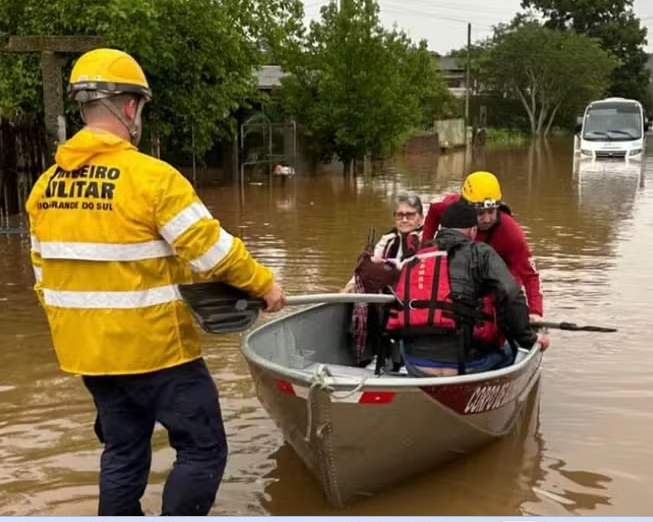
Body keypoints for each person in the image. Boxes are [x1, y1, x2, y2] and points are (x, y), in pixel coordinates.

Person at [25, 48, 286, 516]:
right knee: (203, 447)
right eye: (140, 107)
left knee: (123, 452)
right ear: (129, 107)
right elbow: (211, 250)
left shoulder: (45, 187)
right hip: (156, 351)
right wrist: (265, 286)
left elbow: (43, 277)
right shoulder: (152, 179)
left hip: (91, 356)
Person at [385, 199, 549, 377]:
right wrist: (529, 339)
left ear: (441, 230)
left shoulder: (414, 257)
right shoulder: (483, 253)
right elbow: (511, 295)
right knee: (514, 347)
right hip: (467, 366)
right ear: (473, 230)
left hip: (417, 365)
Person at [421, 171, 544, 323]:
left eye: (491, 212)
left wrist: (535, 311)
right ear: (465, 208)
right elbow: (433, 212)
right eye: (480, 213)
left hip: (497, 279)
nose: (486, 219)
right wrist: (424, 249)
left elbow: (530, 274)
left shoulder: (510, 231)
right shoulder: (448, 208)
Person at [341, 193, 423, 368]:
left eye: (410, 215)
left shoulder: (426, 240)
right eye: (400, 215)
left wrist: (388, 267)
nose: (405, 219)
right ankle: (371, 354)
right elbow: (367, 265)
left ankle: (405, 361)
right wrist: (350, 285)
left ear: (420, 219)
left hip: (414, 297)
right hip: (385, 297)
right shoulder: (388, 240)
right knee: (363, 298)